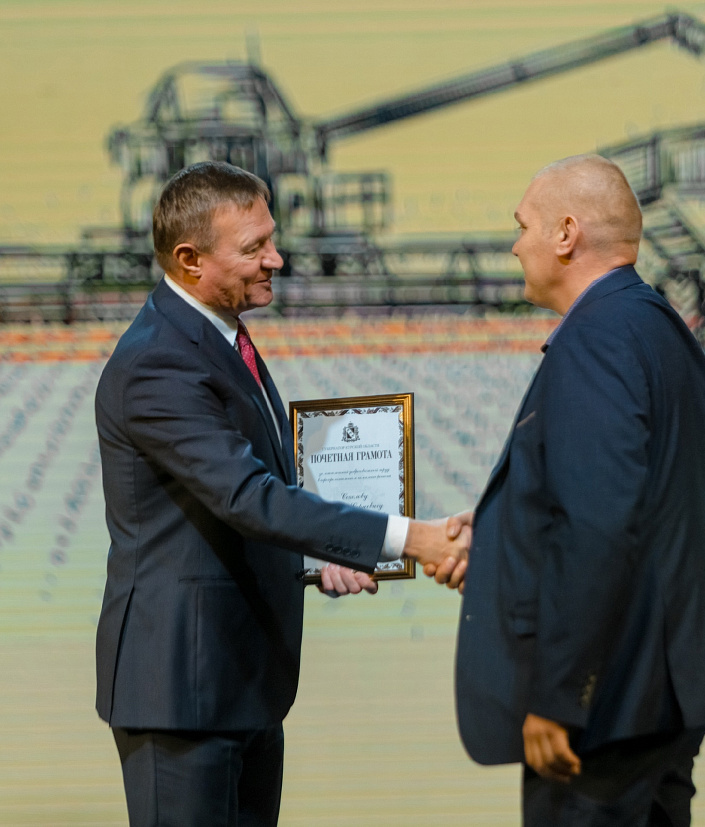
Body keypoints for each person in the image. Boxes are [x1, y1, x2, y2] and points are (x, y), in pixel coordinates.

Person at [94, 161, 469, 827]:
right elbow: (247, 496)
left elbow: (227, 508)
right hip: (182, 694)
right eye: (254, 248)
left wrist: (319, 557)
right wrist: (412, 537)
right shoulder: (159, 362)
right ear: (189, 259)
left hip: (241, 685)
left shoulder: (218, 335)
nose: (277, 258)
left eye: (272, 238)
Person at [442, 155, 705, 826]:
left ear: (566, 234)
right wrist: (499, 531)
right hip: (659, 692)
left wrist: (560, 696)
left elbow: (599, 526)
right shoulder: (656, 327)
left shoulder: (595, 340)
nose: (515, 245)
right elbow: (637, 499)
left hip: (608, 707)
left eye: (523, 226)